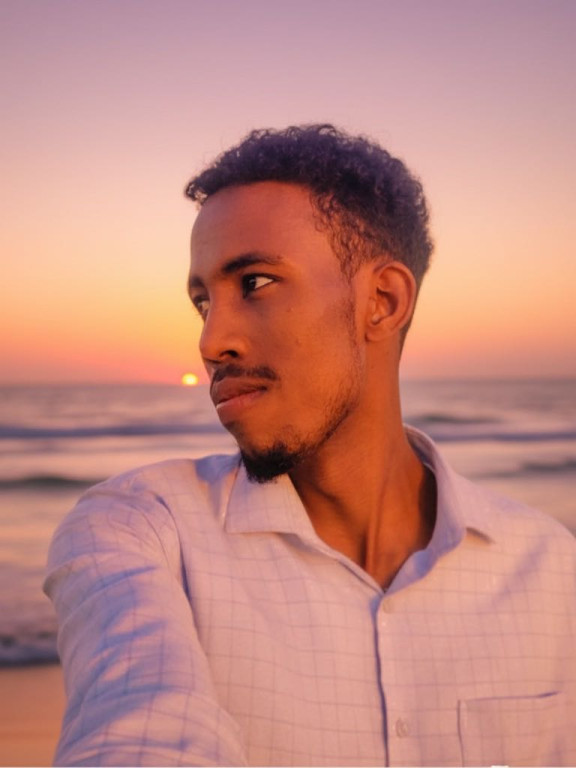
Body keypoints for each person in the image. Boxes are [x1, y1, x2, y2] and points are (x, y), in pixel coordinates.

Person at [45, 124, 575, 767]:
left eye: (255, 283)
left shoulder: (552, 570)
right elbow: (142, 728)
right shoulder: (142, 531)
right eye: (203, 302)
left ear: (382, 301)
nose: (211, 342)